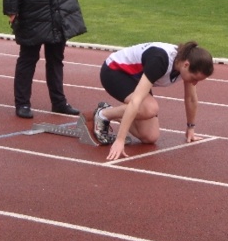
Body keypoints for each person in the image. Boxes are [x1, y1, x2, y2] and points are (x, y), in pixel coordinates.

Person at [85, 41, 214, 160]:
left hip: (138, 78)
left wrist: (190, 128)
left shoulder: (186, 65)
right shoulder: (160, 60)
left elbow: (191, 98)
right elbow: (136, 101)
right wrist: (120, 140)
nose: (195, 83)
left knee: (150, 136)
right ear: (186, 65)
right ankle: (103, 114)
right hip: (115, 71)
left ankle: (114, 113)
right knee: (149, 108)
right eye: (195, 78)